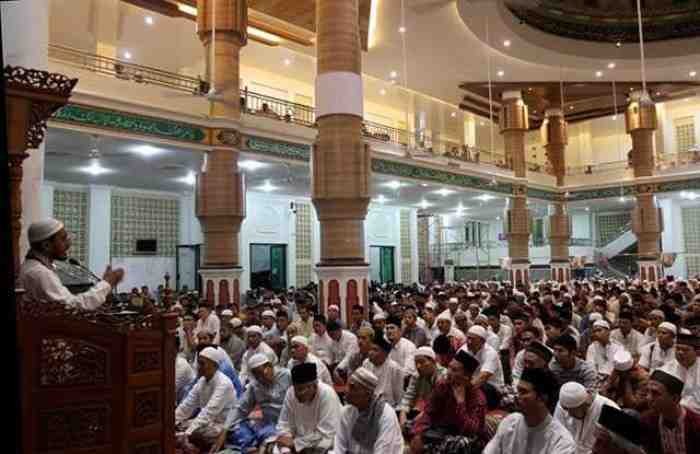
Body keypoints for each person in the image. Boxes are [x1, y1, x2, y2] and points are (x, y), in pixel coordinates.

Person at [18, 218, 124, 309]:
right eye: (63, 239)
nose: (69, 244)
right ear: (46, 245)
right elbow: (72, 307)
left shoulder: (35, 267)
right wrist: (107, 284)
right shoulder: (39, 273)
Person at [411, 350, 487, 454]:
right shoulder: (443, 386)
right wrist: (419, 434)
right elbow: (429, 411)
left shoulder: (477, 398)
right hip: (442, 431)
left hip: (467, 437)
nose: (448, 372)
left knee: (459, 444)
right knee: (411, 426)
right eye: (449, 367)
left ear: (466, 376)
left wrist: (461, 402)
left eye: (454, 370)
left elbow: (471, 431)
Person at [483, 368, 576, 454]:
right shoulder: (510, 422)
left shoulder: (562, 442)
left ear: (542, 399)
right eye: (518, 390)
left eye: (523, 392)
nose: (516, 396)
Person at [213, 353, 292, 453]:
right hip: (268, 424)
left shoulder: (287, 375)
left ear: (270, 366)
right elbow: (240, 407)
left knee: (275, 444)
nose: (261, 378)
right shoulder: (255, 385)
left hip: (288, 425)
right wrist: (225, 429)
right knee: (235, 428)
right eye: (257, 375)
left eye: (262, 373)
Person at [175, 347, 237, 449]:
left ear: (215, 365)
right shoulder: (202, 381)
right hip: (208, 423)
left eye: (202, 363)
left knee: (196, 434)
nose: (199, 367)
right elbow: (187, 405)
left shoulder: (224, 383)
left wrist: (187, 433)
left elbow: (209, 412)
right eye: (198, 363)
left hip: (222, 426)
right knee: (180, 425)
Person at [333, 367, 404, 453]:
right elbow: (339, 447)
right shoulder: (346, 411)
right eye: (347, 385)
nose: (346, 390)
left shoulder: (386, 415)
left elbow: (383, 451)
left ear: (367, 394)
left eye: (352, 387)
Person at [275, 363, 342, 453]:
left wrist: (295, 444)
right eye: (296, 389)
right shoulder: (291, 393)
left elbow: (326, 432)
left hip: (323, 442)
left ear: (314, 386)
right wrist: (286, 450)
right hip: (299, 441)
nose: (298, 394)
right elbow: (283, 425)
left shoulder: (327, 394)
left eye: (301, 389)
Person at [641, 369, 700, 453]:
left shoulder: (696, 425)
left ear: (675, 399)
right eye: (647, 392)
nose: (648, 398)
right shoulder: (647, 421)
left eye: (655, 393)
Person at [554, 381, 619, 454]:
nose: (568, 414)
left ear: (585, 404)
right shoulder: (563, 405)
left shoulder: (610, 409)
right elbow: (558, 436)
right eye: (566, 409)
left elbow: (620, 447)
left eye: (571, 410)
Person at [398, 346, 446, 428]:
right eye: (416, 363)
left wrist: (415, 421)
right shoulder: (416, 375)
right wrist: (403, 415)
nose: (418, 366)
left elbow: (436, 405)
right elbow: (408, 396)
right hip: (425, 410)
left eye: (421, 362)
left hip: (441, 413)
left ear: (433, 362)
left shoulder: (443, 376)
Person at [362, 330, 405, 407]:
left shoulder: (395, 368)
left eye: (375, 350)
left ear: (385, 353)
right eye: (370, 349)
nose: (370, 352)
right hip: (368, 405)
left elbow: (398, 397)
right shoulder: (366, 363)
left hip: (388, 407)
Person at [661, 331, 700, 413]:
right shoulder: (667, 368)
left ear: (697, 352)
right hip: (675, 412)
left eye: (685, 350)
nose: (680, 352)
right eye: (678, 349)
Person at [461, 325, 504, 390]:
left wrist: (466, 389)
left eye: (473, 339)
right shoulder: (464, 348)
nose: (469, 342)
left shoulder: (490, 353)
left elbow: (483, 377)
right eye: (468, 338)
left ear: (482, 341)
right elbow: (455, 366)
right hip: (472, 381)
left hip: (491, 385)